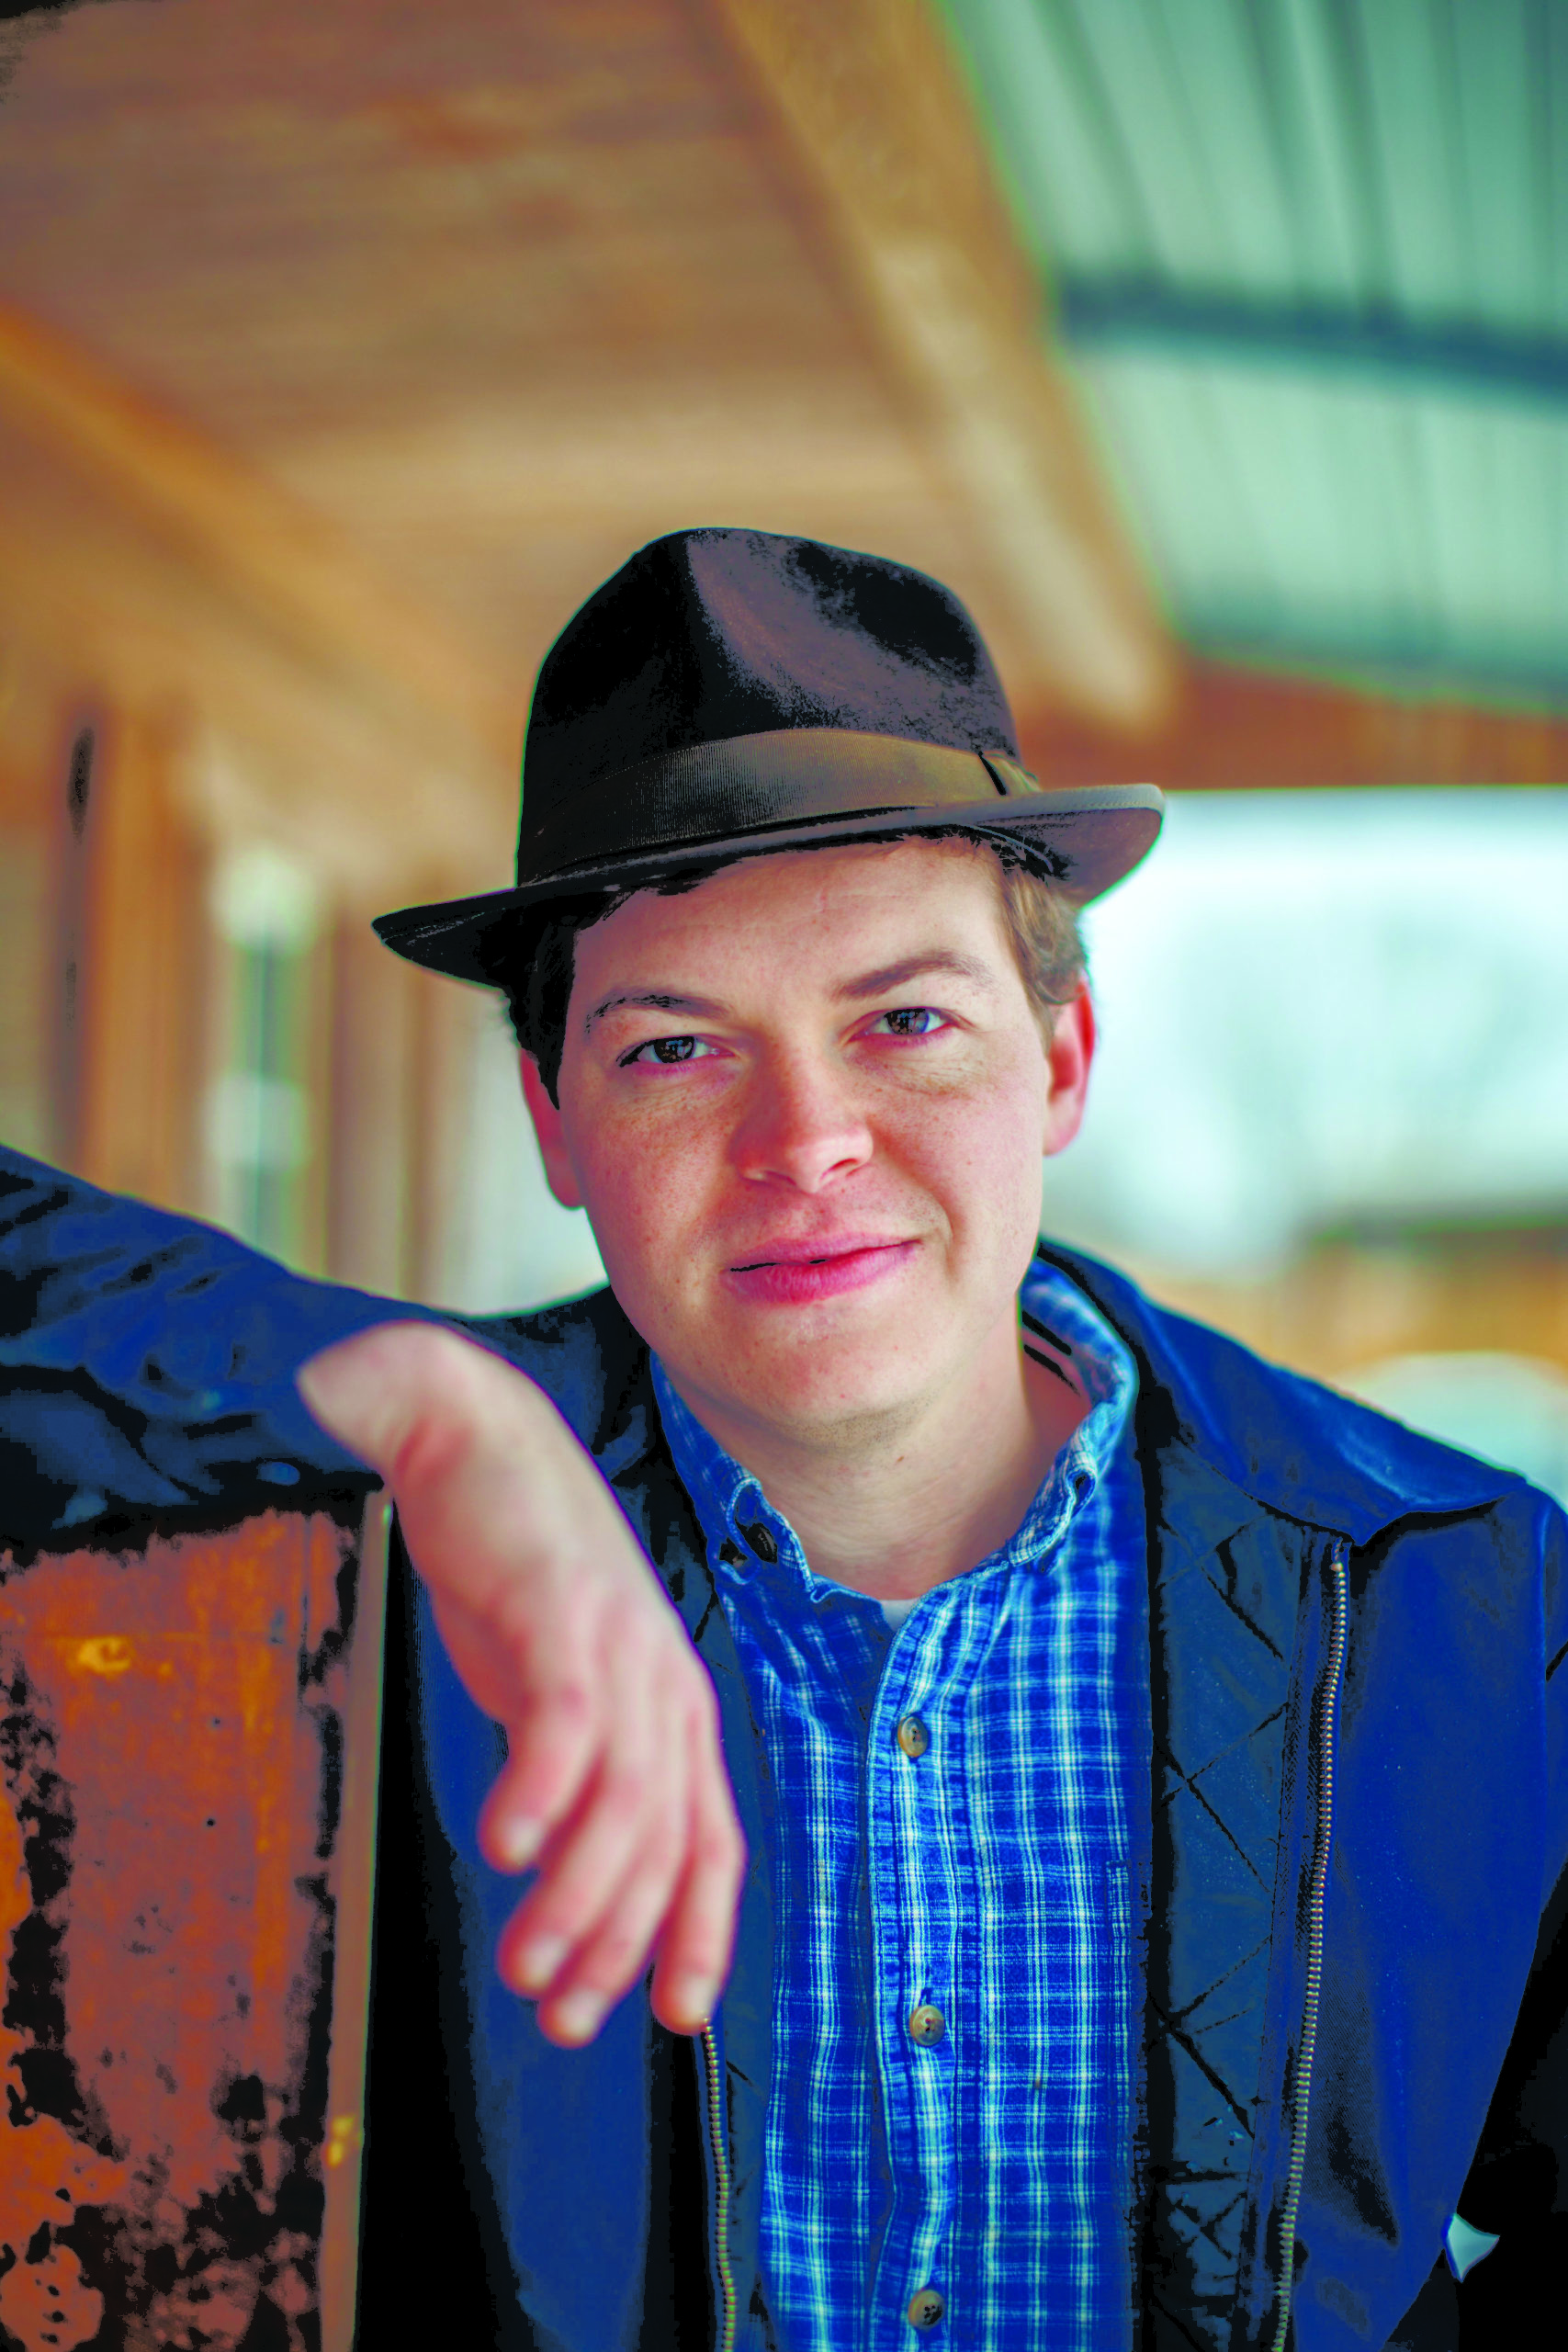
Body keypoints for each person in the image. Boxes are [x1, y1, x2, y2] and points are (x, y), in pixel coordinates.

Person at [3, 530, 1562, 2352]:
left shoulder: (1469, 1592)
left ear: (1059, 1060)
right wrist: (409, 1395)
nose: (804, 1138)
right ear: (555, 1123)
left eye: (904, 1019)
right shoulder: (346, 1548)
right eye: (674, 1049)